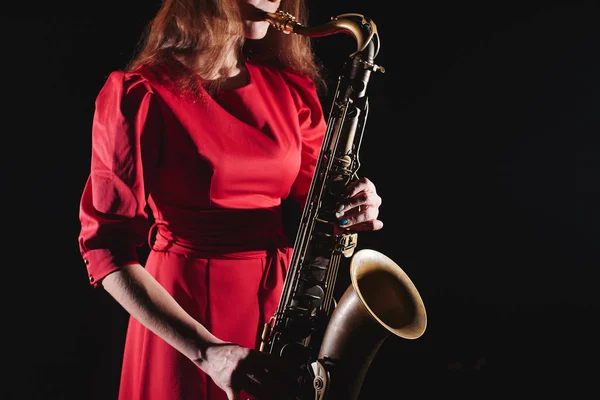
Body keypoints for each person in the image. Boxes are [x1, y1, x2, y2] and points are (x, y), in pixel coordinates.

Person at [77, 0, 384, 399]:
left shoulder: (289, 89)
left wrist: (359, 202)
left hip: (279, 303)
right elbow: (106, 251)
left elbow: (323, 196)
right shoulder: (141, 93)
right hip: (183, 320)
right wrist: (206, 352)